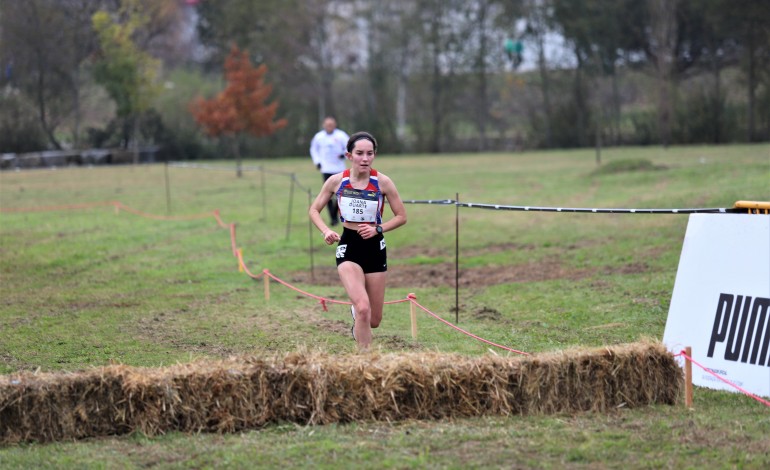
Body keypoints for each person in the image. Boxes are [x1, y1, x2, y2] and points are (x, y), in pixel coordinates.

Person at [309, 131, 407, 351]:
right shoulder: (337, 181)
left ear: (374, 155)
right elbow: (314, 210)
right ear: (349, 155)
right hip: (349, 246)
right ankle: (367, 361)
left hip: (375, 247)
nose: (365, 158)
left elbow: (402, 216)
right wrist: (326, 230)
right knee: (364, 308)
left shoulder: (383, 182)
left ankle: (357, 315)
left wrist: (377, 229)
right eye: (360, 153)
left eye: (369, 154)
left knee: (374, 320)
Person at [309, 116, 349, 226]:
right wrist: (317, 162)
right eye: (327, 125)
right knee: (328, 193)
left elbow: (350, 147)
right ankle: (333, 218)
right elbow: (313, 149)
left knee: (340, 193)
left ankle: (335, 212)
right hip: (326, 169)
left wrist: (343, 155)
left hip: (339, 169)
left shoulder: (341, 135)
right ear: (324, 125)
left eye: (331, 125)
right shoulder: (319, 137)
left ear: (335, 125)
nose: (329, 127)